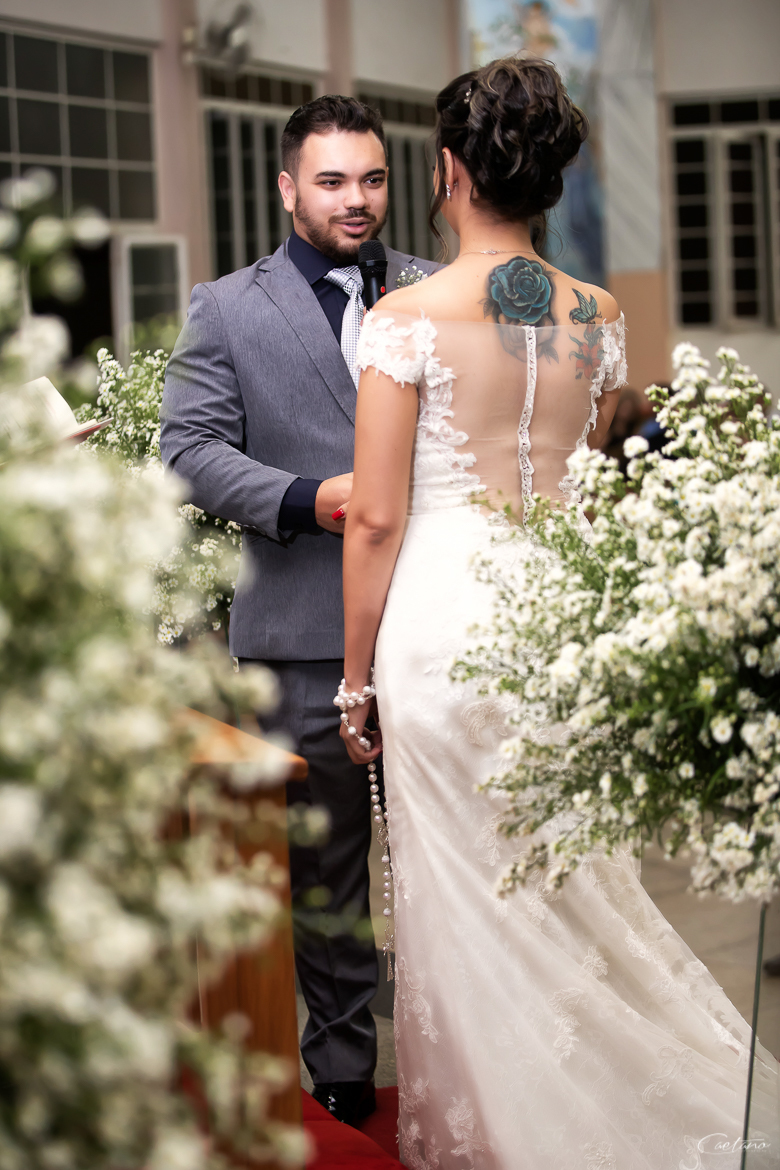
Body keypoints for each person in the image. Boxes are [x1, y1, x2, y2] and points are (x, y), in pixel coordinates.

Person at [338, 58, 779, 1168]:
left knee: (465, 894)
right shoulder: (598, 314)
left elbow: (377, 518)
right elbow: (584, 478)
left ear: (447, 171)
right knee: (569, 880)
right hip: (555, 620)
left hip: (442, 619)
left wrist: (351, 680)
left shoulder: (404, 318)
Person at [159, 94, 440, 1126]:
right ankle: (344, 1076)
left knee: (450, 865)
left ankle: (461, 1066)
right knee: (325, 880)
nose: (355, 199)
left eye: (371, 178)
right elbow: (187, 452)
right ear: (288, 188)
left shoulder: (438, 291)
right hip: (302, 639)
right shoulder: (227, 307)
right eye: (331, 181)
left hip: (437, 627)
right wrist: (306, 498)